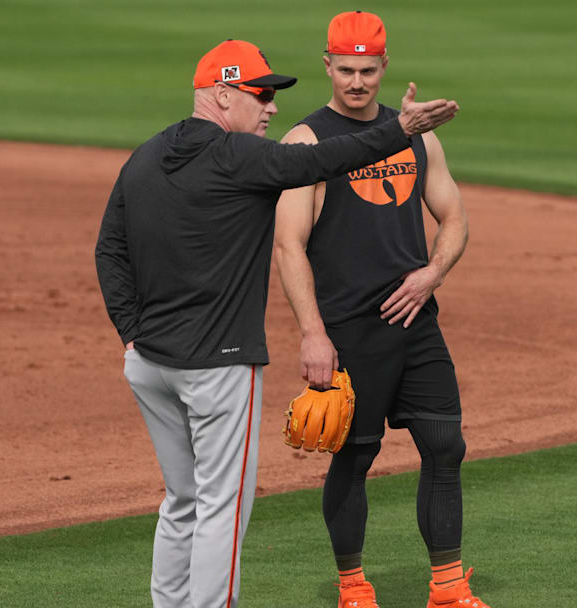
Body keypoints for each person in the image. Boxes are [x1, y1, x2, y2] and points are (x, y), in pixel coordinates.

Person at [94, 38, 458, 608]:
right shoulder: (236, 157)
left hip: (148, 364)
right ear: (221, 95)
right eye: (260, 94)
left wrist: (130, 328)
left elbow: (109, 248)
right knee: (222, 504)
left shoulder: (144, 155)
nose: (271, 107)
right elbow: (317, 161)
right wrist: (399, 131)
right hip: (215, 368)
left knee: (182, 500)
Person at [273, 11, 488, 608]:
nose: (358, 82)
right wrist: (313, 334)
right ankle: (353, 587)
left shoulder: (415, 133)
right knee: (356, 454)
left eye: (368, 70)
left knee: (446, 445)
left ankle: (447, 587)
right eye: (346, 70)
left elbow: (454, 216)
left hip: (417, 321)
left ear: (385, 66)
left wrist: (431, 274)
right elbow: (289, 243)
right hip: (348, 330)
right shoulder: (307, 143)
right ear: (327, 66)